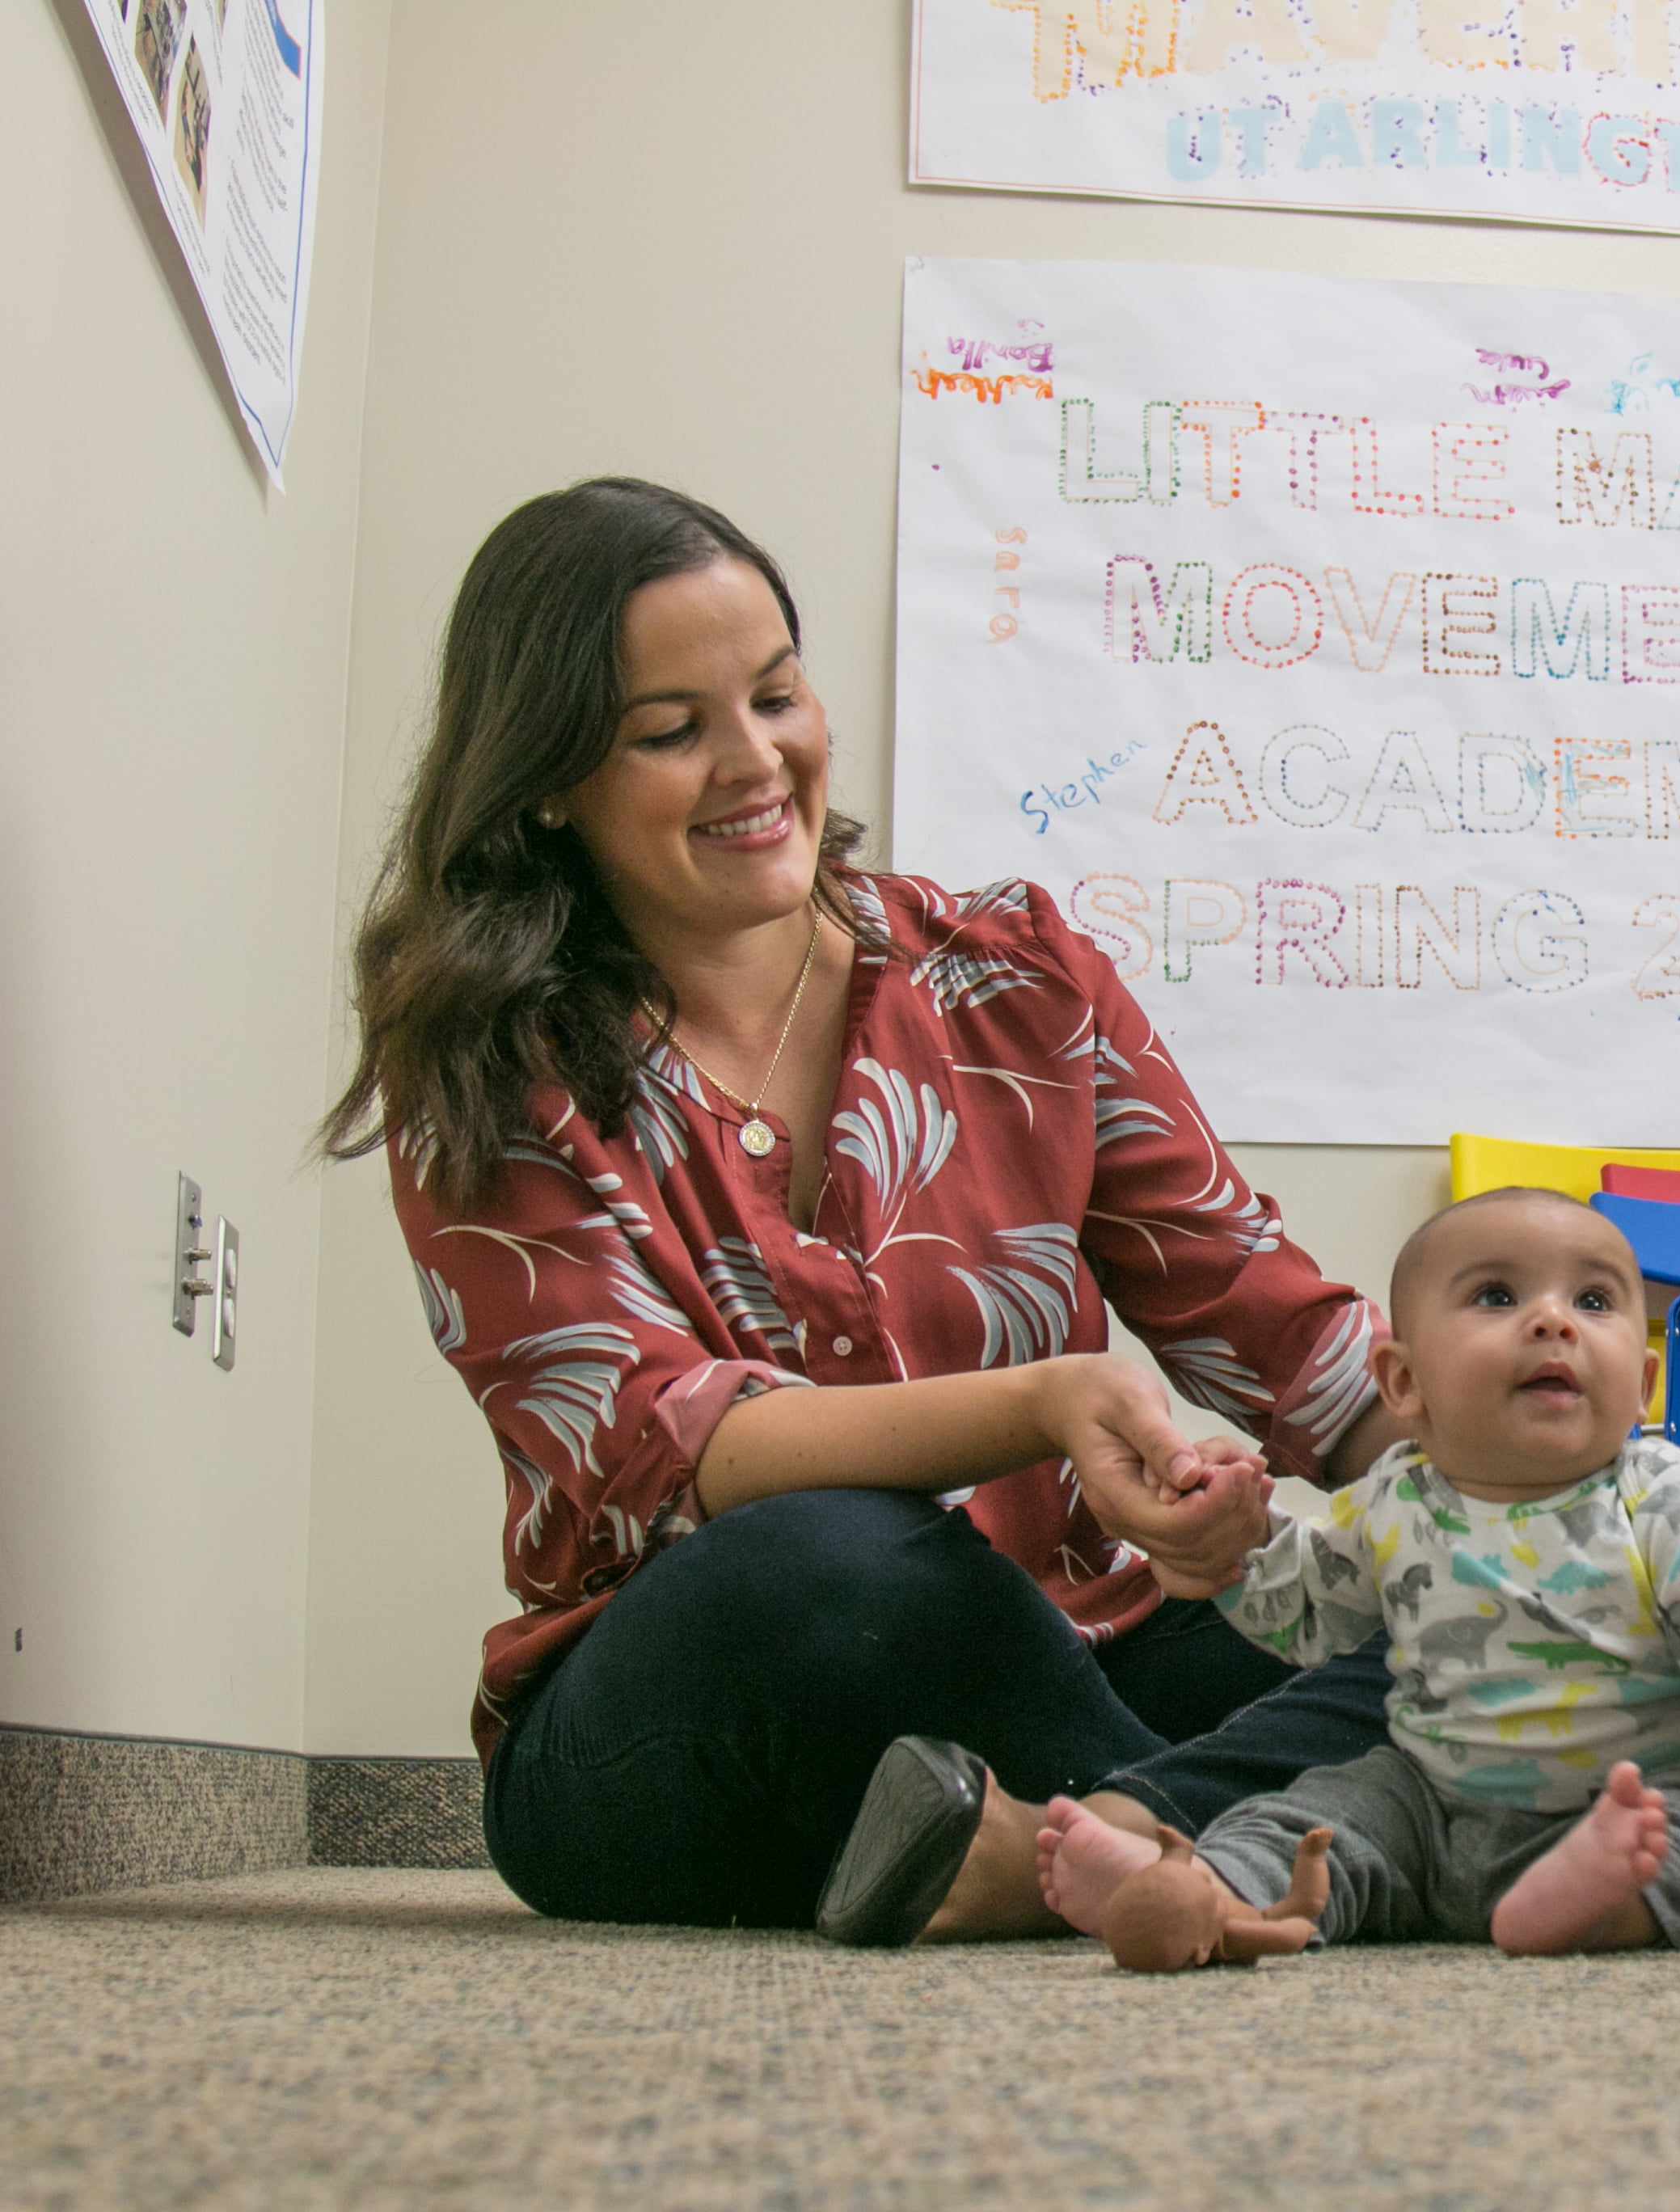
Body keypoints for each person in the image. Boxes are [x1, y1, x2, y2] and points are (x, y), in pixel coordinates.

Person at [323, 478, 1406, 1944]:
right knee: (827, 1560)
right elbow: (673, 1444)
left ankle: (1040, 1847)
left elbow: (1263, 1319)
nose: (754, 759)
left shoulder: (1016, 977)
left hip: (1068, 1648)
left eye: (775, 693)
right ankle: (1257, 1842)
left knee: (1419, 1629)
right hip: (719, 1691)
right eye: (668, 730)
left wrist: (1577, 1505)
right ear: (545, 778)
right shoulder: (492, 1061)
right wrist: (1043, 1402)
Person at [1036, 1189, 1680, 1958]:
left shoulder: (1663, 1498)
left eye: (1594, 1302)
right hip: (1433, 1805)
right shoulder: (1393, 1497)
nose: (1553, 1320)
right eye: (1496, 1295)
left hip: (1632, 1802)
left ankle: (1588, 1901)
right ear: (1403, 1383)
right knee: (1313, 1811)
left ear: (1644, 1389)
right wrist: (1234, 1542)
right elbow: (1307, 1615)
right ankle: (1208, 1890)